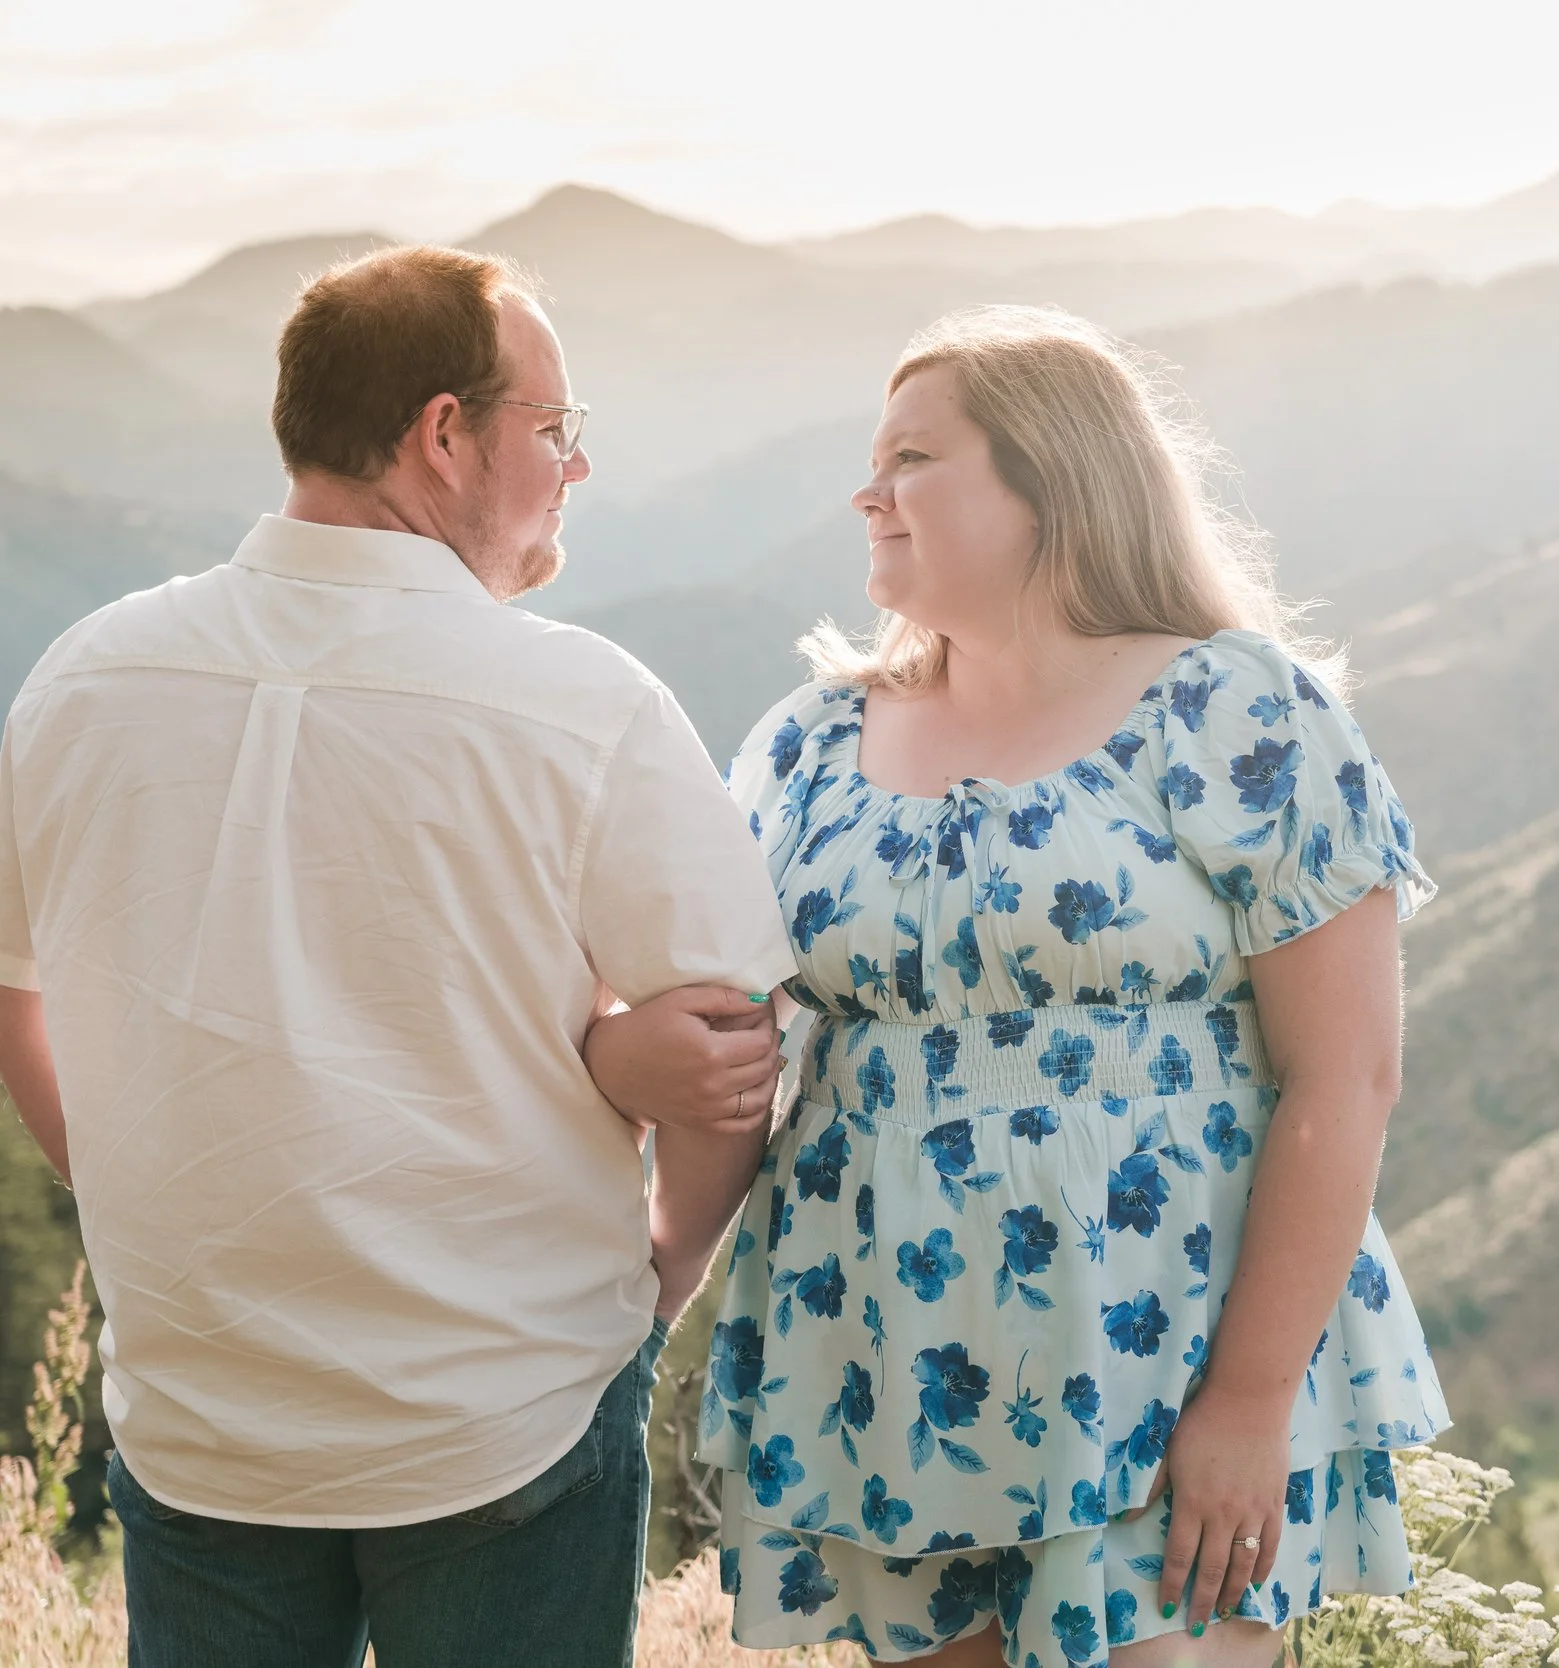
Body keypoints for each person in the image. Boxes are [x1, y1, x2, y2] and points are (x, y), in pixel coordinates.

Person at [599, 305, 1446, 1666]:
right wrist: (647, 1255)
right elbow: (729, 1039)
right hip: (880, 1350)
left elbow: (1347, 1076)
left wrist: (1250, 1397)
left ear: (1050, 482)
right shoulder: (811, 742)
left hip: (1158, 1349)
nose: (866, 493)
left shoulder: (1239, 711)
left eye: (913, 457)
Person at [0, 244, 794, 1668]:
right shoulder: (581, 704)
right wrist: (659, 1276)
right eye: (556, 431)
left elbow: (18, 1003)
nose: (575, 468)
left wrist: (145, 1213)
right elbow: (736, 1032)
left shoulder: (80, 679)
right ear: (445, 433)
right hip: (507, 1406)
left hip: (201, 1413)